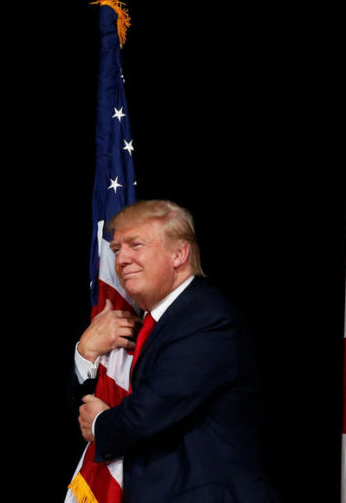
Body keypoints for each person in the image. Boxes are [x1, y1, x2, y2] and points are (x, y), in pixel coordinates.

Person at [73, 200, 278, 502]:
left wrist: (101, 424)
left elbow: (149, 412)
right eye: (117, 250)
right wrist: (86, 350)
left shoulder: (207, 318)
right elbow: (90, 409)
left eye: (136, 245)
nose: (121, 260)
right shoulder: (151, 322)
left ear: (179, 254)